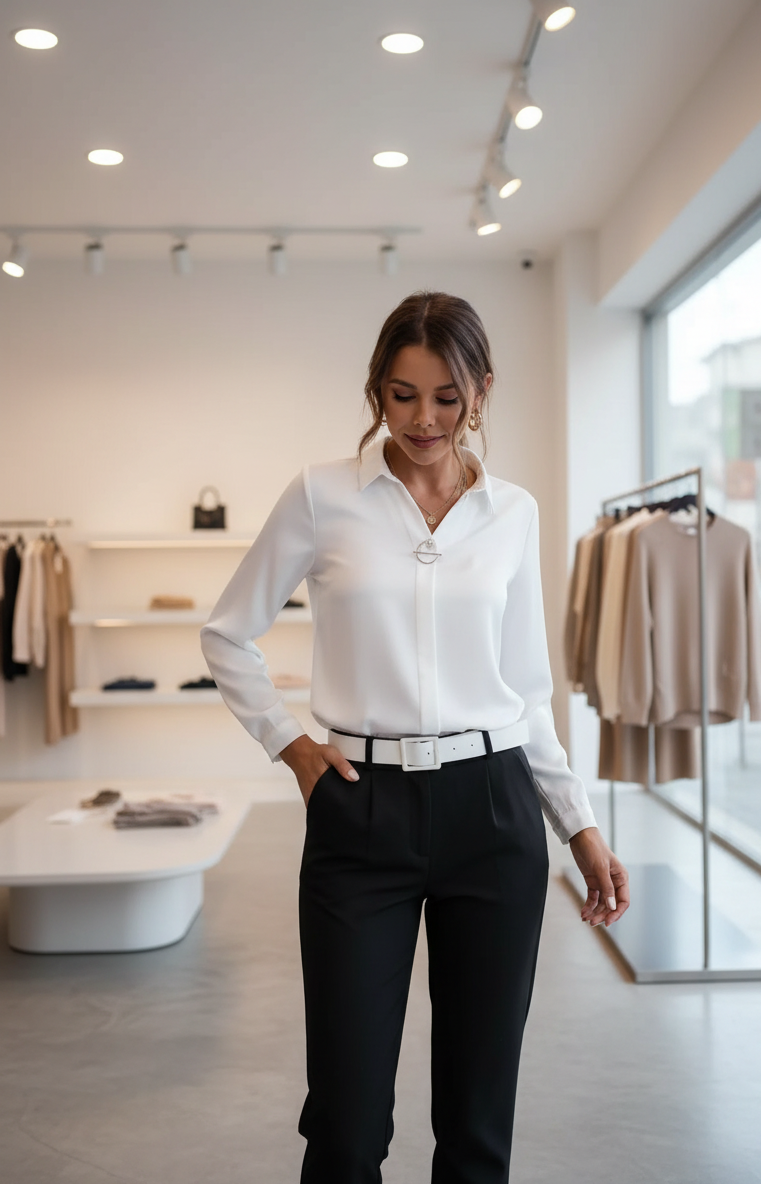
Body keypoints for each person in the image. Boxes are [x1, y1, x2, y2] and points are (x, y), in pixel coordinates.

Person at [200, 291, 629, 1184]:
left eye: (446, 396)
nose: (424, 420)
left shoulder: (514, 511)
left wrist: (579, 827)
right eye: (402, 396)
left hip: (495, 809)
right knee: (348, 1127)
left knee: (477, 1129)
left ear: (481, 392)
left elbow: (528, 693)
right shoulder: (322, 495)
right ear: (375, 394)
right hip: (362, 810)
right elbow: (226, 632)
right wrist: (294, 746)